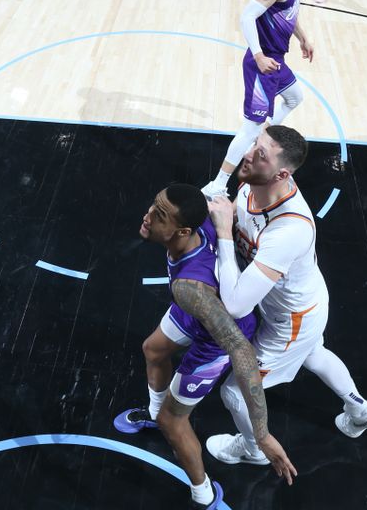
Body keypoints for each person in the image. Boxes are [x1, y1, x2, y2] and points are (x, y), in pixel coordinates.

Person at [205, 126, 367, 467]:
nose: (248, 154)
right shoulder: (257, 184)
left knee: (235, 390)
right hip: (307, 305)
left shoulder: (290, 227)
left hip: (291, 321)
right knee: (314, 354)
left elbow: (238, 305)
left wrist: (224, 232)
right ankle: (363, 412)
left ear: (282, 173)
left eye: (260, 154)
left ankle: (253, 450)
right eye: (255, 145)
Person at [115, 184, 295, 509]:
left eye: (161, 215)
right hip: (201, 310)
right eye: (154, 205)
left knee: (176, 422)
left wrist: (263, 433)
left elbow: (240, 350)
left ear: (183, 230)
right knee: (153, 350)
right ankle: (155, 414)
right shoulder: (206, 217)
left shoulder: (189, 286)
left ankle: (204, 494)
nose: (148, 216)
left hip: (218, 339)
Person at [201, 0, 317, 200]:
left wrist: (303, 38)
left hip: (277, 60)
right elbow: (246, 18)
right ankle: (217, 183)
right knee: (250, 126)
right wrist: (258, 56)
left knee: (294, 97)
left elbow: (290, 13)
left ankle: (258, 134)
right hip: (262, 64)